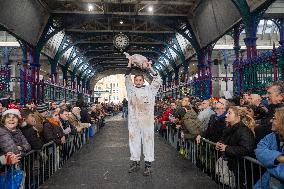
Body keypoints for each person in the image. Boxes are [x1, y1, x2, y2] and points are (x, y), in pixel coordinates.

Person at [125, 56, 162, 176]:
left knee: (148, 142)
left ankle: (148, 166)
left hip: (146, 121)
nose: (138, 82)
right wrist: (130, 63)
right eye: (136, 80)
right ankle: (135, 163)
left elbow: (158, 80)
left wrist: (150, 68)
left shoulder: (150, 90)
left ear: (143, 81)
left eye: (140, 80)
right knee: (133, 142)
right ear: (134, 81)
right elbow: (126, 78)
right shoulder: (130, 90)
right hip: (134, 121)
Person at [254, 107, 284, 188]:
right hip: (268, 183)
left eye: (275, 118)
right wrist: (278, 158)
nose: (271, 120)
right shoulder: (271, 136)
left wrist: (269, 166)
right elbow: (259, 150)